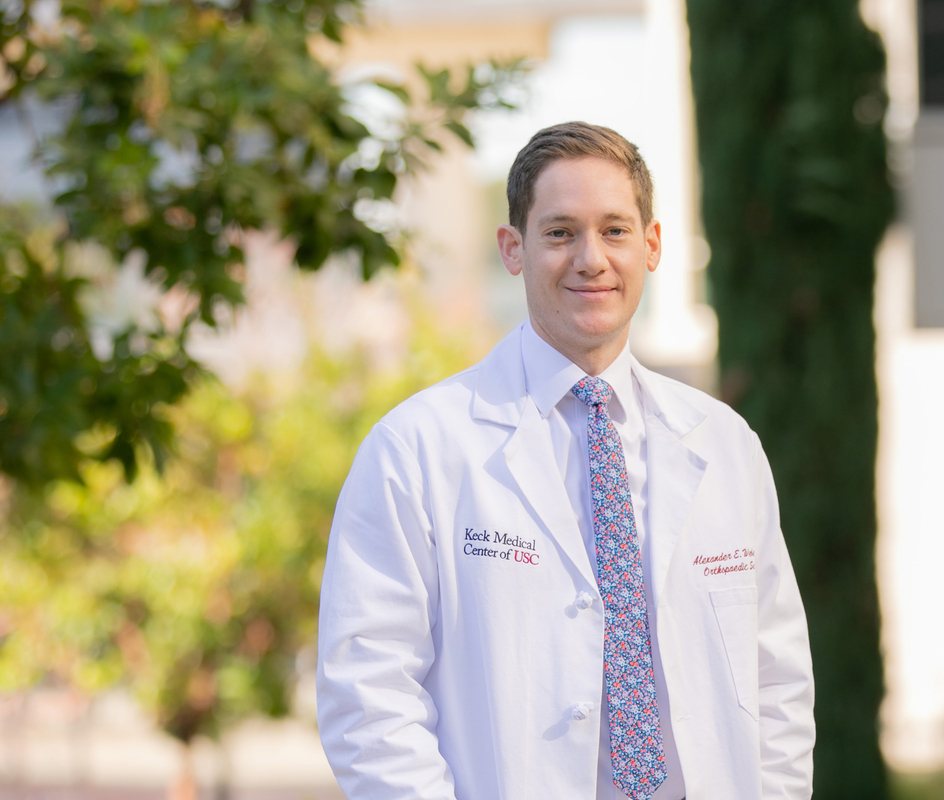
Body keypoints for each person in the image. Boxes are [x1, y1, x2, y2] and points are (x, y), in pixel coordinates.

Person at [316, 121, 815, 800]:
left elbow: (778, 678)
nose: (591, 259)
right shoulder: (415, 449)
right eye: (560, 233)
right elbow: (368, 694)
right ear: (512, 249)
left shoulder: (725, 446)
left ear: (652, 245)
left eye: (615, 230)